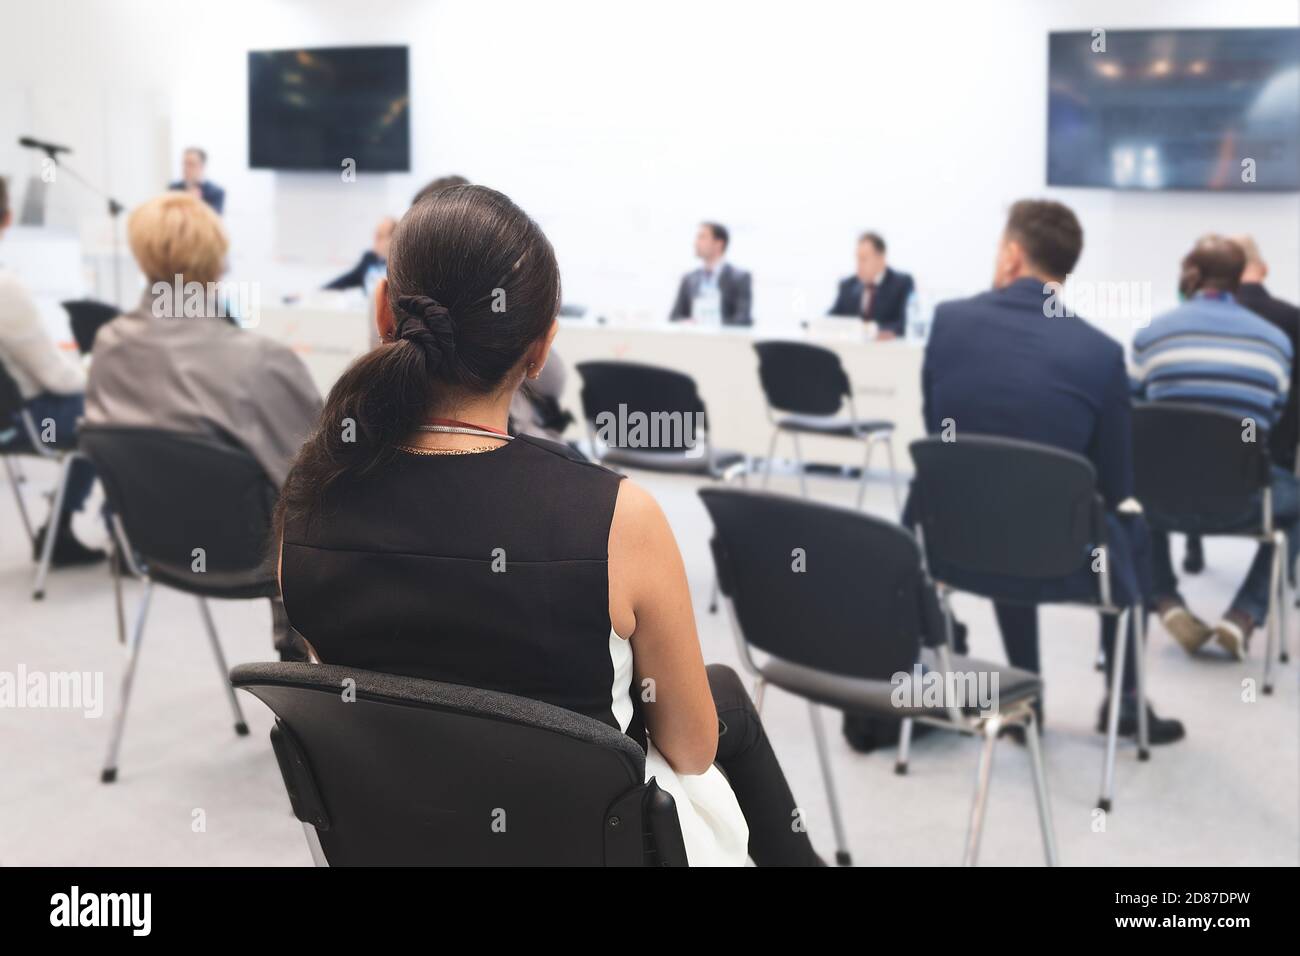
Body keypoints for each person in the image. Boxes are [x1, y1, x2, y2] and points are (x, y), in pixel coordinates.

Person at [276, 184, 821, 865]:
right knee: (720, 703)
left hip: (405, 839)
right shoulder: (619, 518)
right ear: (540, 351)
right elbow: (690, 748)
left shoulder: (308, 500)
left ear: (384, 313)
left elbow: (365, 711)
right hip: (590, 845)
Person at [918, 198, 1184, 744]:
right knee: (1131, 527)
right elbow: (1116, 483)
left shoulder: (948, 323)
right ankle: (1128, 701)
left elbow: (938, 431)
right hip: (1063, 560)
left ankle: (1026, 694)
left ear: (1013, 256)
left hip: (953, 545)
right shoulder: (1100, 353)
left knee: (995, 498)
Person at [85, 191, 322, 659]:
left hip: (157, 547)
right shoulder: (259, 361)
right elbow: (325, 469)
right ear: (218, 263)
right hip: (260, 559)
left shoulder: (109, 345)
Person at [1132, 235, 1298, 661]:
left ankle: (1165, 597)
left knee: (1136, 482)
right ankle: (1244, 614)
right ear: (1239, 282)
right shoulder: (1274, 344)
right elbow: (1271, 417)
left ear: (1191, 275)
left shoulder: (1151, 336)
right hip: (1243, 501)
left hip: (1160, 502)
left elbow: (1131, 412)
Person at [0, 176, 103, 566]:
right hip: (24, 419)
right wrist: (93, 375)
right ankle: (129, 542)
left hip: (10, 417)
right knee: (115, 413)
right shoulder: (5, 288)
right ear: (7, 219)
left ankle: (61, 529)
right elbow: (55, 378)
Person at [1233, 234, 1300, 472]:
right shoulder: (1292, 318)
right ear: (1264, 269)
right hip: (1272, 455)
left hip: (1198, 465)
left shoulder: (1194, 323)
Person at [829, 231, 915, 338]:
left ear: (881, 259)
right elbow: (831, 319)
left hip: (885, 351)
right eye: (857, 259)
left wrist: (872, 330)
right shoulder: (847, 285)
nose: (858, 265)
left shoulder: (901, 283)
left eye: (863, 259)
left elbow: (905, 324)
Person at [669, 222, 753, 326]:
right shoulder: (689, 279)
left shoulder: (740, 278)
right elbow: (674, 317)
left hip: (723, 340)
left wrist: (712, 324)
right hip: (693, 339)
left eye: (702, 237)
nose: (696, 243)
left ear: (719, 243)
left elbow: (743, 319)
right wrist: (687, 323)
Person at [324, 217, 395, 292]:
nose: (375, 240)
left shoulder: (398, 265)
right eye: (376, 235)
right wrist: (322, 291)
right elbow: (348, 279)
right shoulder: (369, 259)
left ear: (393, 238)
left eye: (380, 236)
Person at [168, 147, 225, 215]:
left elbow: (214, 219)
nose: (185, 168)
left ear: (202, 166)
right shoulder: (173, 188)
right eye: (184, 164)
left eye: (191, 164)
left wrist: (195, 202)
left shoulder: (216, 192)